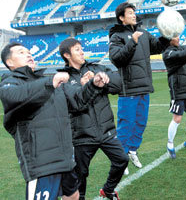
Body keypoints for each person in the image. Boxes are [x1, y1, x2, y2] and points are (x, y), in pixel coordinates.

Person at [0, 43, 109, 200]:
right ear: (9, 62)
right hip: (42, 163)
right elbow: (13, 97)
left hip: (65, 159)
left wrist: (93, 86)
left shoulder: (48, 81)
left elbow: (77, 101)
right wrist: (49, 83)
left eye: (29, 51)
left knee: (73, 196)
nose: (29, 54)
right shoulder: (10, 82)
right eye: (21, 52)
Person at [58, 38, 129, 200]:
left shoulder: (96, 67)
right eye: (77, 49)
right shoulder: (64, 78)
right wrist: (85, 86)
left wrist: (100, 79)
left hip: (106, 131)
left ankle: (108, 190)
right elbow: (74, 104)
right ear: (67, 55)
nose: (82, 52)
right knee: (80, 176)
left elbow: (118, 84)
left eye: (81, 48)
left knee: (122, 160)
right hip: (82, 136)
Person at [109, 2, 169, 171]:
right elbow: (117, 59)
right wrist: (132, 42)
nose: (134, 15)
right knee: (126, 125)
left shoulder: (143, 32)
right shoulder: (117, 36)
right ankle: (121, 159)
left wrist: (166, 37)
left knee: (140, 123)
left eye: (134, 12)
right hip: (128, 89)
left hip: (144, 86)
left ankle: (132, 151)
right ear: (121, 17)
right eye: (129, 13)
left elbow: (157, 47)